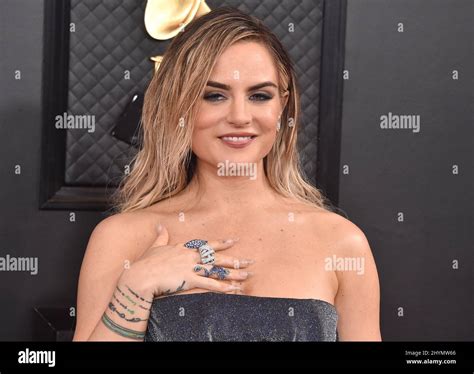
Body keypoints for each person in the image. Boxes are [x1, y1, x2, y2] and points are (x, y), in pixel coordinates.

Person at [73, 6, 381, 342]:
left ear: (282, 106)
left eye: (259, 96)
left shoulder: (343, 243)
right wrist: (136, 287)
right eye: (214, 95)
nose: (239, 116)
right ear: (179, 104)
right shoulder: (120, 238)